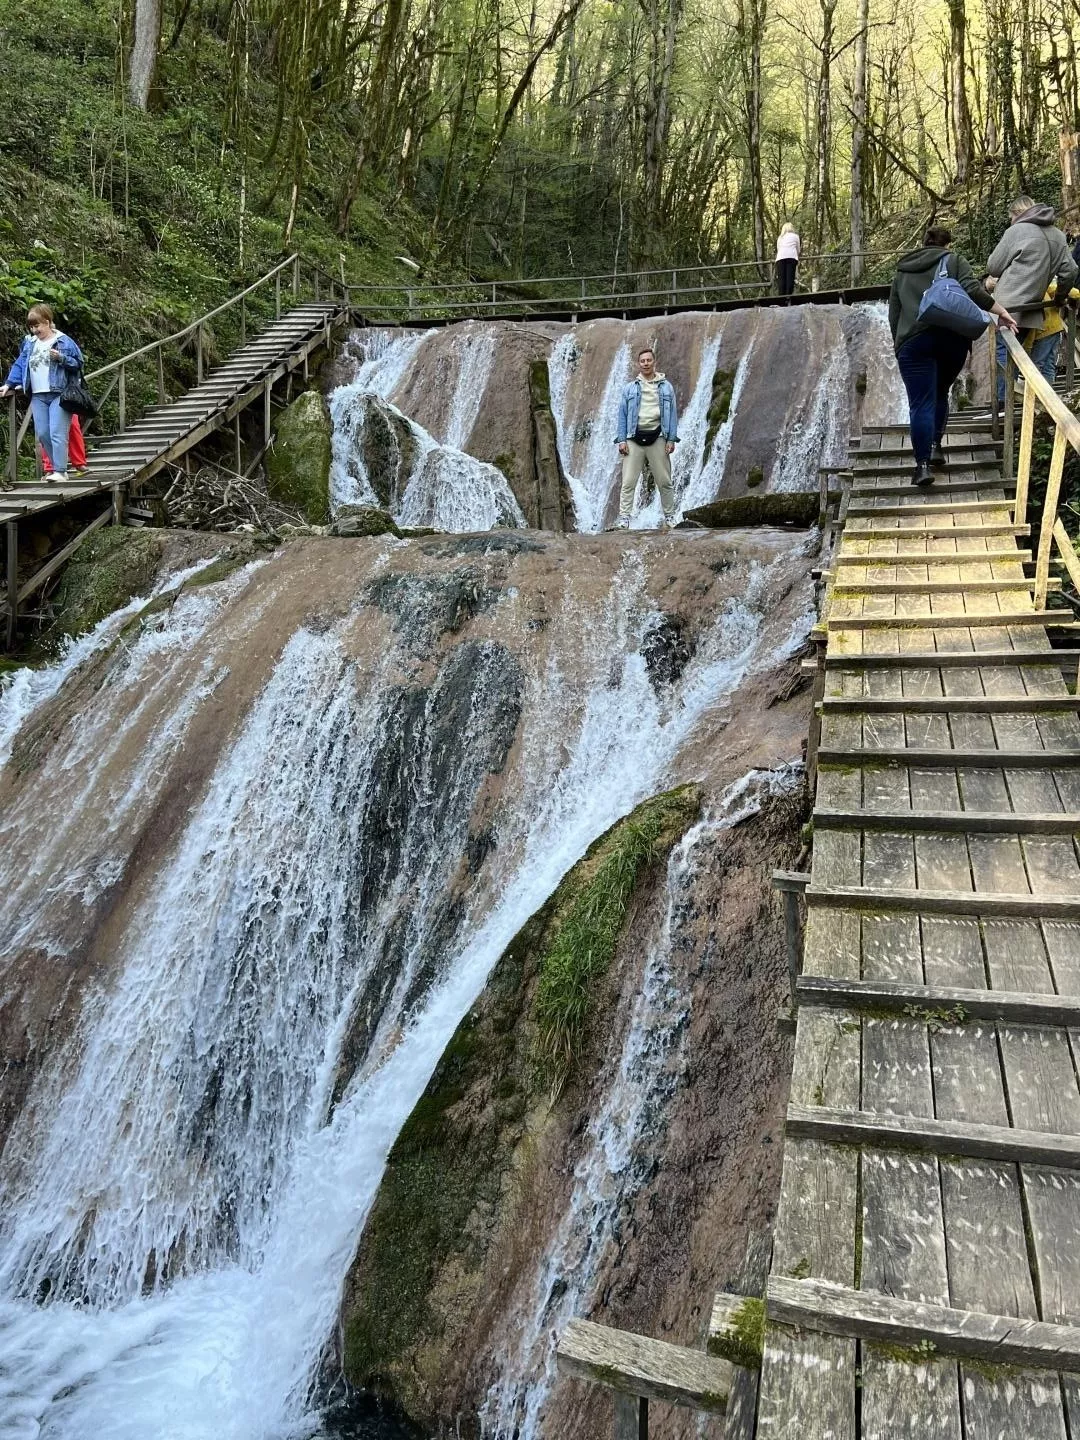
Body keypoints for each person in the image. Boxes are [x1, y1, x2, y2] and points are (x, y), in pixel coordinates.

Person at [889, 225, 1018, 486]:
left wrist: (899, 343)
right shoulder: (954, 260)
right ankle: (936, 444)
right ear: (947, 245)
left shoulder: (902, 271)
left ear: (923, 243)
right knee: (940, 393)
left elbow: (894, 313)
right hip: (951, 338)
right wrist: (1001, 311)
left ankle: (922, 466)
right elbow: (972, 290)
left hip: (913, 342)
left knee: (920, 403)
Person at [986, 196, 1077, 398]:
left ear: (1018, 214)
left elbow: (993, 266)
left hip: (1006, 308)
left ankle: (1003, 406)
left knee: (1004, 355)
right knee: (1019, 357)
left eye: (1011, 217)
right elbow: (1070, 272)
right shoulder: (1058, 236)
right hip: (1033, 310)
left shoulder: (1016, 231)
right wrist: (1060, 297)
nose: (1010, 222)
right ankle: (1015, 405)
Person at [0, 304, 83, 482]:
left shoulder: (64, 341)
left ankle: (60, 471)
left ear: (47, 322)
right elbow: (20, 364)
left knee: (57, 432)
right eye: (31, 327)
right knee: (43, 433)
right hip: (37, 394)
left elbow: (78, 364)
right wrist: (9, 383)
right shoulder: (30, 343)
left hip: (59, 393)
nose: (34, 330)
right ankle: (55, 468)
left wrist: (61, 358)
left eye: (37, 326)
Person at [613, 346, 679, 529]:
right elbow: (622, 414)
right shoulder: (630, 388)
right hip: (634, 438)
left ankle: (670, 516)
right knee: (628, 481)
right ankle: (624, 518)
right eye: (642, 361)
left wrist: (671, 439)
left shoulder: (666, 387)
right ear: (638, 364)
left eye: (649, 360)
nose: (646, 363)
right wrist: (621, 440)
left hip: (658, 436)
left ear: (654, 362)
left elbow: (673, 414)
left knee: (664, 481)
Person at [775, 223, 801, 297]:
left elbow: (778, 248)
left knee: (781, 279)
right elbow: (798, 250)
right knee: (790, 278)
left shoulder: (780, 237)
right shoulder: (796, 236)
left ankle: (781, 298)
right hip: (791, 257)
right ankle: (788, 297)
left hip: (780, 258)